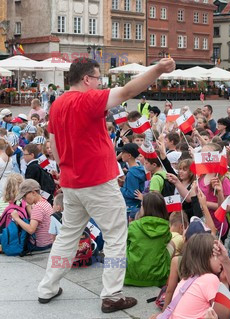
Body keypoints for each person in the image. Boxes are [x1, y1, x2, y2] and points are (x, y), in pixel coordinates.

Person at [38, 56, 175, 313]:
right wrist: (157, 69)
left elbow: (55, 149)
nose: (100, 83)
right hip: (98, 180)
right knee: (115, 236)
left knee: (68, 236)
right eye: (98, 78)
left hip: (71, 181)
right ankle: (111, 294)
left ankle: (47, 287)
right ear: (87, 79)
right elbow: (128, 90)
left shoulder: (56, 105)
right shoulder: (88, 99)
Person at [125, 193, 172, 287]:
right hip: (158, 277)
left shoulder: (133, 225)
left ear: (146, 208)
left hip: (130, 276)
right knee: (171, 244)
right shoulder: (166, 228)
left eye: (142, 205)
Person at [10, 179, 54, 252]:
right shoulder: (45, 203)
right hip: (48, 243)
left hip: (38, 245)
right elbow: (37, 219)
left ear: (33, 192)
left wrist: (17, 218)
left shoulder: (38, 207)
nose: (24, 199)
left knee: (11, 239)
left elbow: (31, 229)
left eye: (24, 196)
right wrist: (28, 208)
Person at [120, 143, 147, 220]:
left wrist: (120, 188)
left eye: (123, 152)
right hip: (137, 206)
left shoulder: (132, 173)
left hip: (131, 207)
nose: (121, 155)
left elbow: (132, 193)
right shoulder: (140, 168)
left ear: (129, 155)